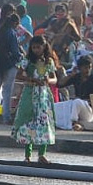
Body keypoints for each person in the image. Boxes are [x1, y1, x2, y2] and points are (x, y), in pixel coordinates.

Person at [12, 34, 58, 164]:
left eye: (38, 47)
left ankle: (42, 154)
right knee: (29, 123)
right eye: (33, 48)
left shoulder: (49, 61)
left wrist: (48, 80)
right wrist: (32, 79)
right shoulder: (27, 60)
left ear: (44, 47)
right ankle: (27, 155)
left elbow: (55, 78)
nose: (36, 50)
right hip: (30, 94)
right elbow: (19, 75)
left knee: (44, 124)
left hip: (43, 96)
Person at [53, 55, 93, 131]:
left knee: (77, 102)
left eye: (90, 67)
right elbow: (60, 84)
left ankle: (74, 122)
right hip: (76, 107)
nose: (88, 70)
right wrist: (70, 75)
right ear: (80, 68)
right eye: (85, 68)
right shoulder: (76, 77)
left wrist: (84, 101)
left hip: (89, 111)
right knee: (56, 106)